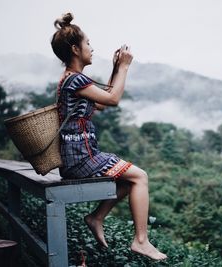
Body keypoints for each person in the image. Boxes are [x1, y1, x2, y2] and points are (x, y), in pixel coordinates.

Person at [50, 13, 167, 261]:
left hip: (77, 157)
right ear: (75, 49)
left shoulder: (70, 80)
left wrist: (115, 68)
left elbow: (101, 103)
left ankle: (96, 217)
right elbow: (113, 99)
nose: (92, 49)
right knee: (141, 177)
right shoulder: (76, 79)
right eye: (88, 44)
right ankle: (141, 241)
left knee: (127, 180)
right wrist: (124, 66)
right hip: (81, 157)